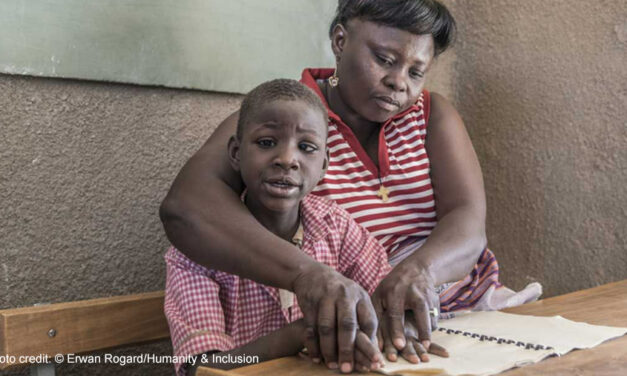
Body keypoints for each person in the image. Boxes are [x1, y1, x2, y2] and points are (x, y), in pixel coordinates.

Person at [160, 0, 541, 373]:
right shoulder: (285, 121)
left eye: (416, 71)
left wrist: (420, 270)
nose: (398, 82)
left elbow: (468, 222)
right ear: (340, 40)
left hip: (454, 314)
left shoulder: (432, 115)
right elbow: (187, 209)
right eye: (385, 60)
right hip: (359, 328)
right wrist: (309, 277)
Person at [164, 79, 394, 376]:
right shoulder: (197, 251)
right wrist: (303, 335)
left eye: (306, 147)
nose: (287, 160)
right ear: (235, 153)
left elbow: (384, 297)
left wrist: (376, 326)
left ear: (324, 165)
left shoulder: (335, 226)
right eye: (266, 142)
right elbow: (202, 368)